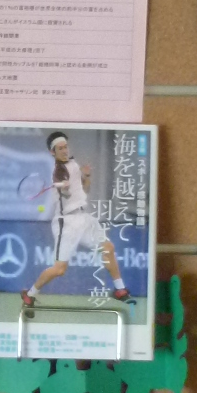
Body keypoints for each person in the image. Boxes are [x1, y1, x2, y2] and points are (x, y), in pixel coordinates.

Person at [20, 131, 133, 315]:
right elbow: (65, 195)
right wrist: (64, 189)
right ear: (53, 152)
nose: (65, 150)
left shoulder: (73, 164)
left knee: (108, 248)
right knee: (59, 269)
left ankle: (120, 289)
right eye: (60, 148)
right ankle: (30, 294)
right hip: (67, 223)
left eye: (65, 147)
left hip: (83, 217)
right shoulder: (58, 171)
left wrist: (86, 176)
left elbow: (85, 190)